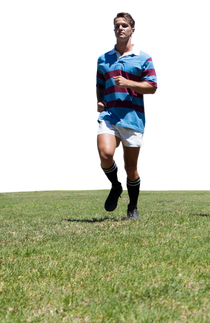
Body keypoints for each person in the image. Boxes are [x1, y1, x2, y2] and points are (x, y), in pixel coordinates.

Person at [93, 9, 160, 220]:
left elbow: (153, 88)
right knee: (104, 154)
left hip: (134, 117)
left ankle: (132, 207)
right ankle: (114, 185)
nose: (120, 29)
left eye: (124, 25)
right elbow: (100, 85)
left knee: (132, 168)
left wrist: (129, 83)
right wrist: (98, 101)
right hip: (109, 115)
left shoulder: (145, 57)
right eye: (116, 26)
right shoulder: (101, 58)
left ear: (134, 30)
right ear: (112, 30)